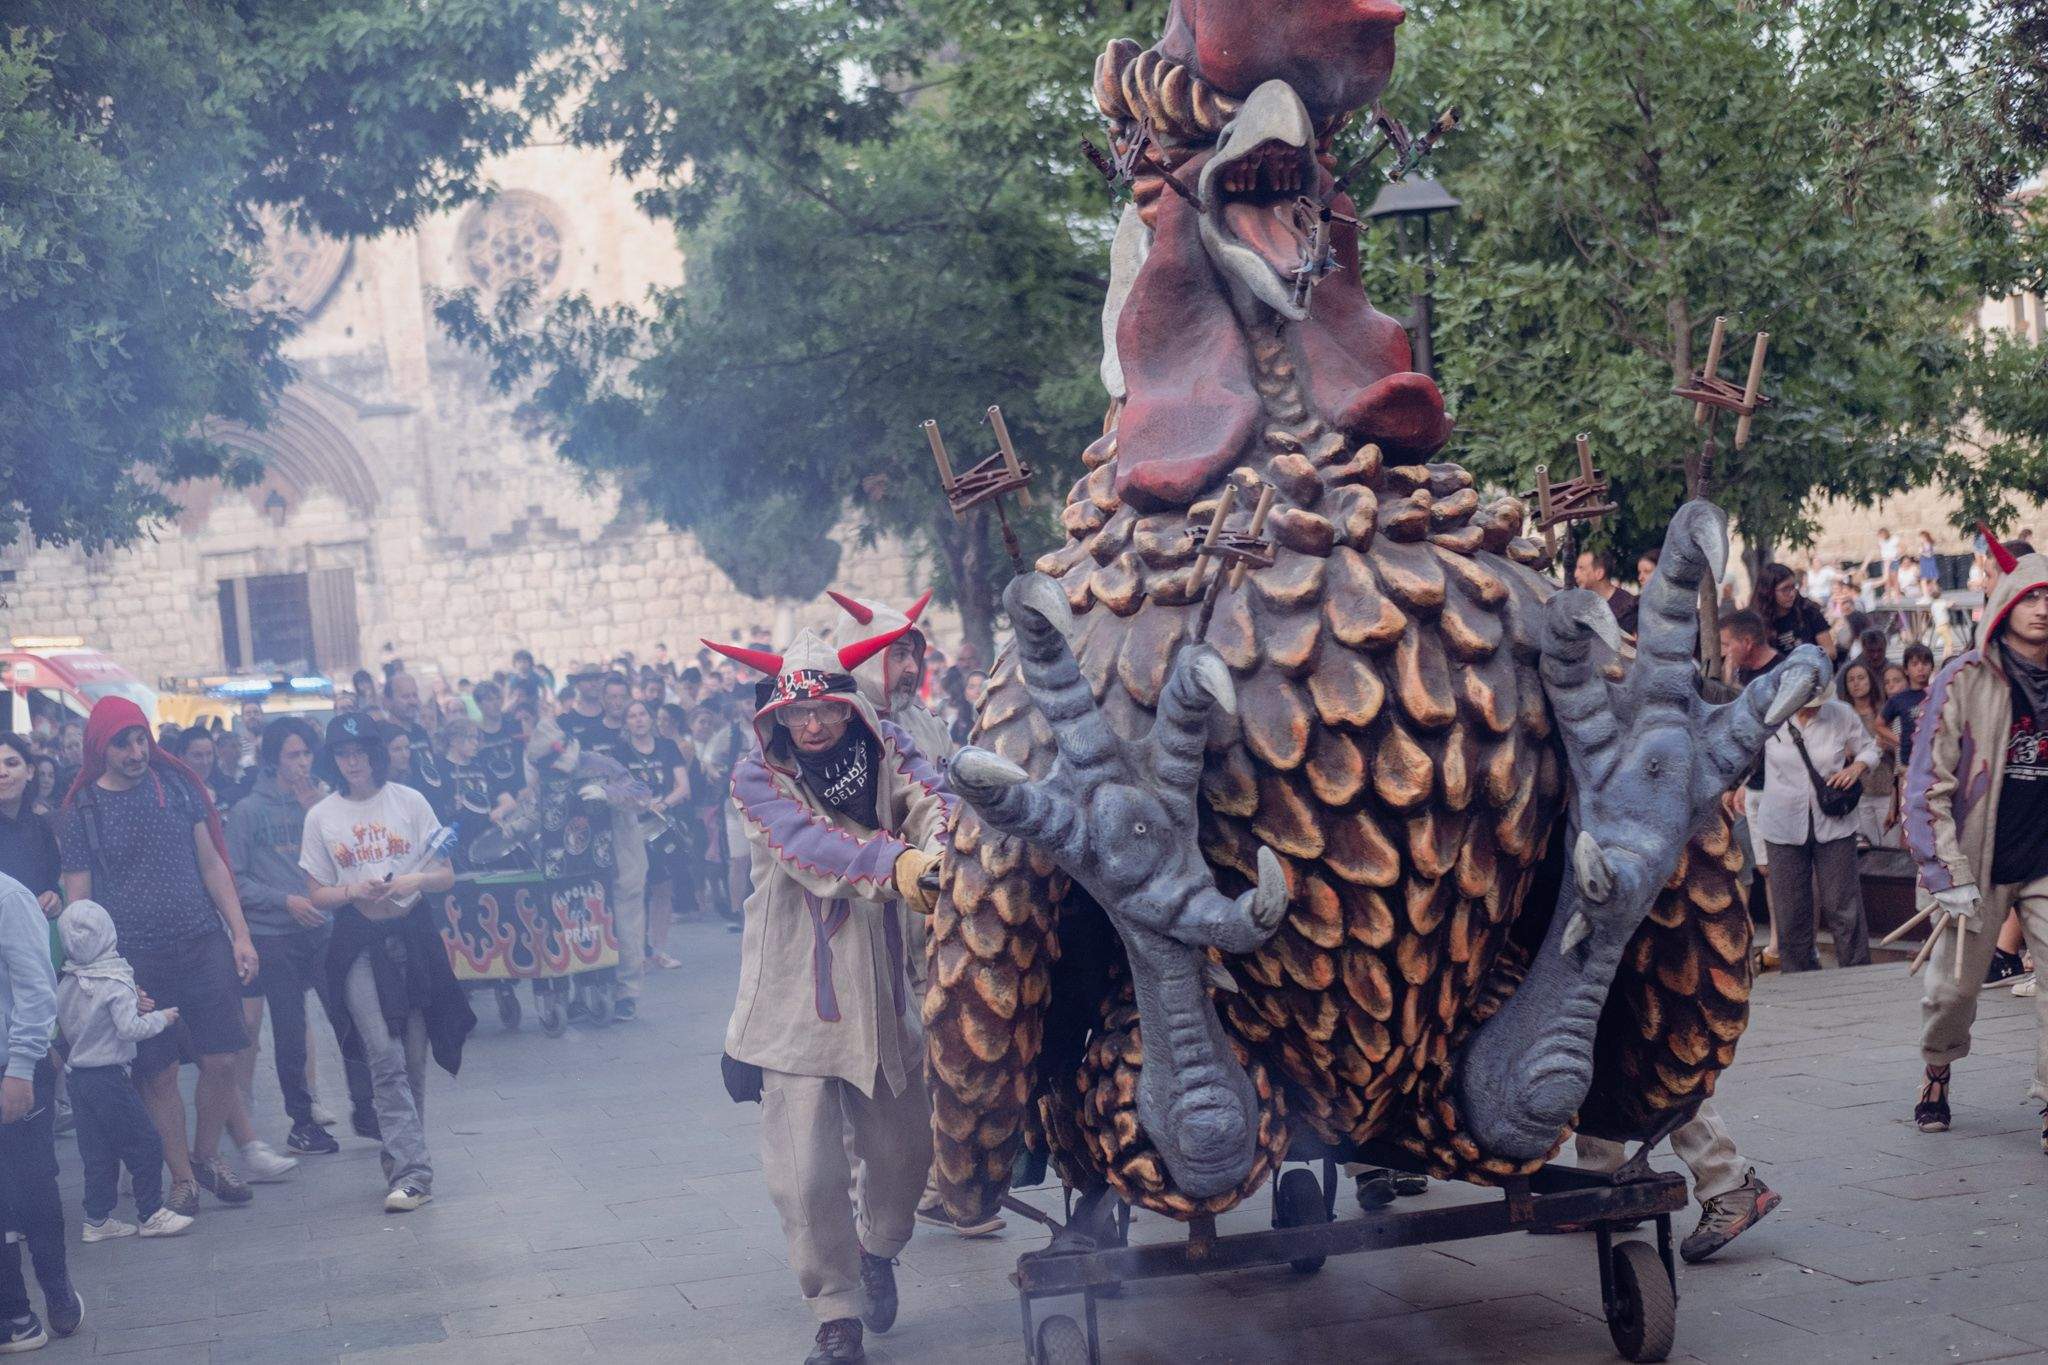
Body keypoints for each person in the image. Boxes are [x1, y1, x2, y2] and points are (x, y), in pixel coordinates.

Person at [707, 625, 950, 1365]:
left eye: (824, 710)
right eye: (795, 713)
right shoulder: (756, 779)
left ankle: (878, 1249)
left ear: (848, 709)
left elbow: (933, 795)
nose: (810, 725)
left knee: (906, 1150)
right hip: (790, 992)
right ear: (774, 718)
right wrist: (902, 863)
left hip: (878, 986)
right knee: (805, 1172)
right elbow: (813, 849)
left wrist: (939, 845)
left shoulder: (891, 749)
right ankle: (836, 1312)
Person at [56, 698, 295, 1216]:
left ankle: (206, 1156)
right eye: (124, 742)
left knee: (222, 1057)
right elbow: (81, 902)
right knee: (158, 1073)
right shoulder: (82, 812)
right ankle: (183, 1179)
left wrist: (240, 934)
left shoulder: (178, 788)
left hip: (201, 940)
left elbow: (212, 867)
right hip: (134, 958)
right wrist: (100, 976)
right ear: (102, 746)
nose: (137, 751)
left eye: (142, 739)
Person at [1905, 534, 2048, 1144]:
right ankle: (1937, 1070)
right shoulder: (1963, 678)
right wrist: (1945, 871)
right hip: (1978, 860)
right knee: (1954, 991)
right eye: (2033, 596)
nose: (2044, 608)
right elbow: (1926, 783)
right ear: (2008, 601)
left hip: (2046, 856)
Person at [300, 713, 473, 1212]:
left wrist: (410, 881)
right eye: (342, 754)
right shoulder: (322, 816)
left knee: (414, 1056)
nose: (352, 762)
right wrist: (356, 888)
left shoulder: (410, 802)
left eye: (360, 752)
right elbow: (316, 890)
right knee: (384, 1054)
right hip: (358, 940)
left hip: (412, 933)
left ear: (374, 754)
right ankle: (414, 1172)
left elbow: (445, 872)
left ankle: (402, 1158)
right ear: (332, 761)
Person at [227, 718, 374, 1155]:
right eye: (293, 755)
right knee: (290, 1030)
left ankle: (366, 1107)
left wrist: (320, 810)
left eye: (308, 754)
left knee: (349, 1016)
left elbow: (348, 857)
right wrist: (284, 901)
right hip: (276, 933)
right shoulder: (249, 811)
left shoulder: (325, 803)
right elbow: (234, 878)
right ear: (273, 760)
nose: (302, 763)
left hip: (325, 927)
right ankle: (302, 1120)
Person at [53, 900, 195, 1243]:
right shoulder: (115, 980)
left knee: (98, 1153)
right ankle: (151, 1213)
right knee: (144, 1143)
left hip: (79, 1078)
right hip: (109, 1077)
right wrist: (161, 1018)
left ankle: (97, 1219)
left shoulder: (69, 979)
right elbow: (129, 1029)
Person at [0, 863, 79, 1353]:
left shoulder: (9, 897)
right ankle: (14, 1314)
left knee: (31, 1185)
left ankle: (56, 1288)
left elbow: (36, 987)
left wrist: (21, 1067)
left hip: (11, 1065)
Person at [1755, 690, 1877, 971]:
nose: (1810, 710)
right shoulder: (1771, 715)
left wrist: (1856, 767)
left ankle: (1858, 970)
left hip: (1833, 821)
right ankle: (1799, 973)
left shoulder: (1840, 713)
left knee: (1842, 904)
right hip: (1783, 822)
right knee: (1791, 909)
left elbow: (1871, 748)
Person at [613, 699, 688, 1012]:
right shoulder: (621, 752)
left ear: (651, 719)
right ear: (626, 722)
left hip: (662, 823)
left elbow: (683, 786)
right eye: (632, 715)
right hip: (632, 829)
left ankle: (658, 949)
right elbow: (616, 788)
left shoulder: (667, 746)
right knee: (635, 890)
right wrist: (637, 803)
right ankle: (637, 953)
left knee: (663, 888)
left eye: (642, 713)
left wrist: (664, 804)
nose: (638, 719)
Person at [1837, 659, 1899, 848]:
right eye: (1851, 680)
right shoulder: (1842, 715)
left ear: (1871, 681)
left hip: (1886, 789)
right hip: (1859, 793)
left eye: (1861, 678)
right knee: (1867, 849)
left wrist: (1887, 744)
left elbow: (1901, 746)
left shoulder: (1885, 711)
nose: (1856, 683)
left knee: (1891, 848)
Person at [0, 735, 60, 918]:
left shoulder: (42, 829)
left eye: (11, 763)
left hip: (32, 938)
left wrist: (54, 900)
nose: (2, 772)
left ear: (30, 772)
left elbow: (52, 884)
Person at [1751, 562, 1833, 659]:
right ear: (1769, 592)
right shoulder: (1757, 621)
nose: (1792, 594)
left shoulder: (1808, 610)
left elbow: (1830, 651)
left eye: (1794, 587)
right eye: (1785, 589)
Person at [1573, 550, 1639, 635]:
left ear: (1599, 573)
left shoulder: (1628, 608)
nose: (1575, 574)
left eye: (1581, 568)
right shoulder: (1581, 607)